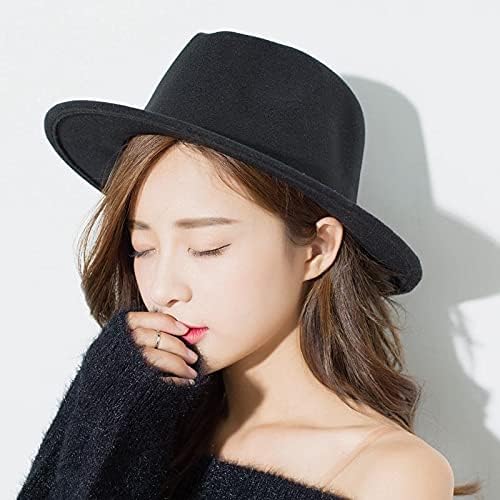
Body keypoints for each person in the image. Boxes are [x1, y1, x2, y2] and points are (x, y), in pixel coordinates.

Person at [18, 30, 481, 499]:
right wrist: (104, 403)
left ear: (317, 248)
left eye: (208, 247)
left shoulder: (389, 474)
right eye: (143, 248)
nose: (162, 289)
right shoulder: (140, 417)